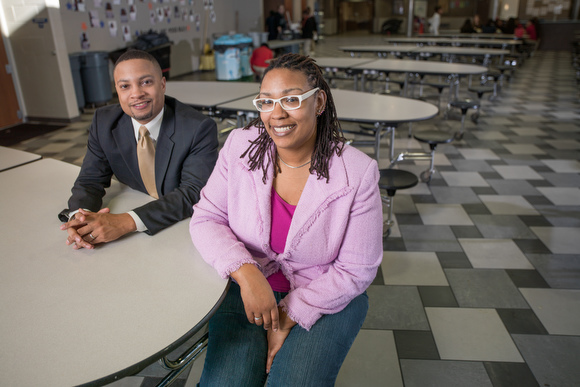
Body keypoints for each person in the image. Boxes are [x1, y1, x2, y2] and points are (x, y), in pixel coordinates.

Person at [189, 53, 383, 385]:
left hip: (325, 293)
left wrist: (287, 315)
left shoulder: (357, 172)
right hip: (244, 289)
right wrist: (248, 274)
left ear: (318, 101)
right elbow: (207, 218)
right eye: (266, 102)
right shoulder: (240, 146)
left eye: (291, 99)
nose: (276, 114)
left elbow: (357, 269)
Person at [59, 49, 218, 249]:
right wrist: (79, 219)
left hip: (183, 228)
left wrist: (124, 222)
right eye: (125, 86)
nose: (136, 93)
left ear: (162, 84)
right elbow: (90, 180)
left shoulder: (198, 128)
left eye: (146, 82)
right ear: (117, 90)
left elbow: (192, 193)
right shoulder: (104, 122)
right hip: (143, 232)